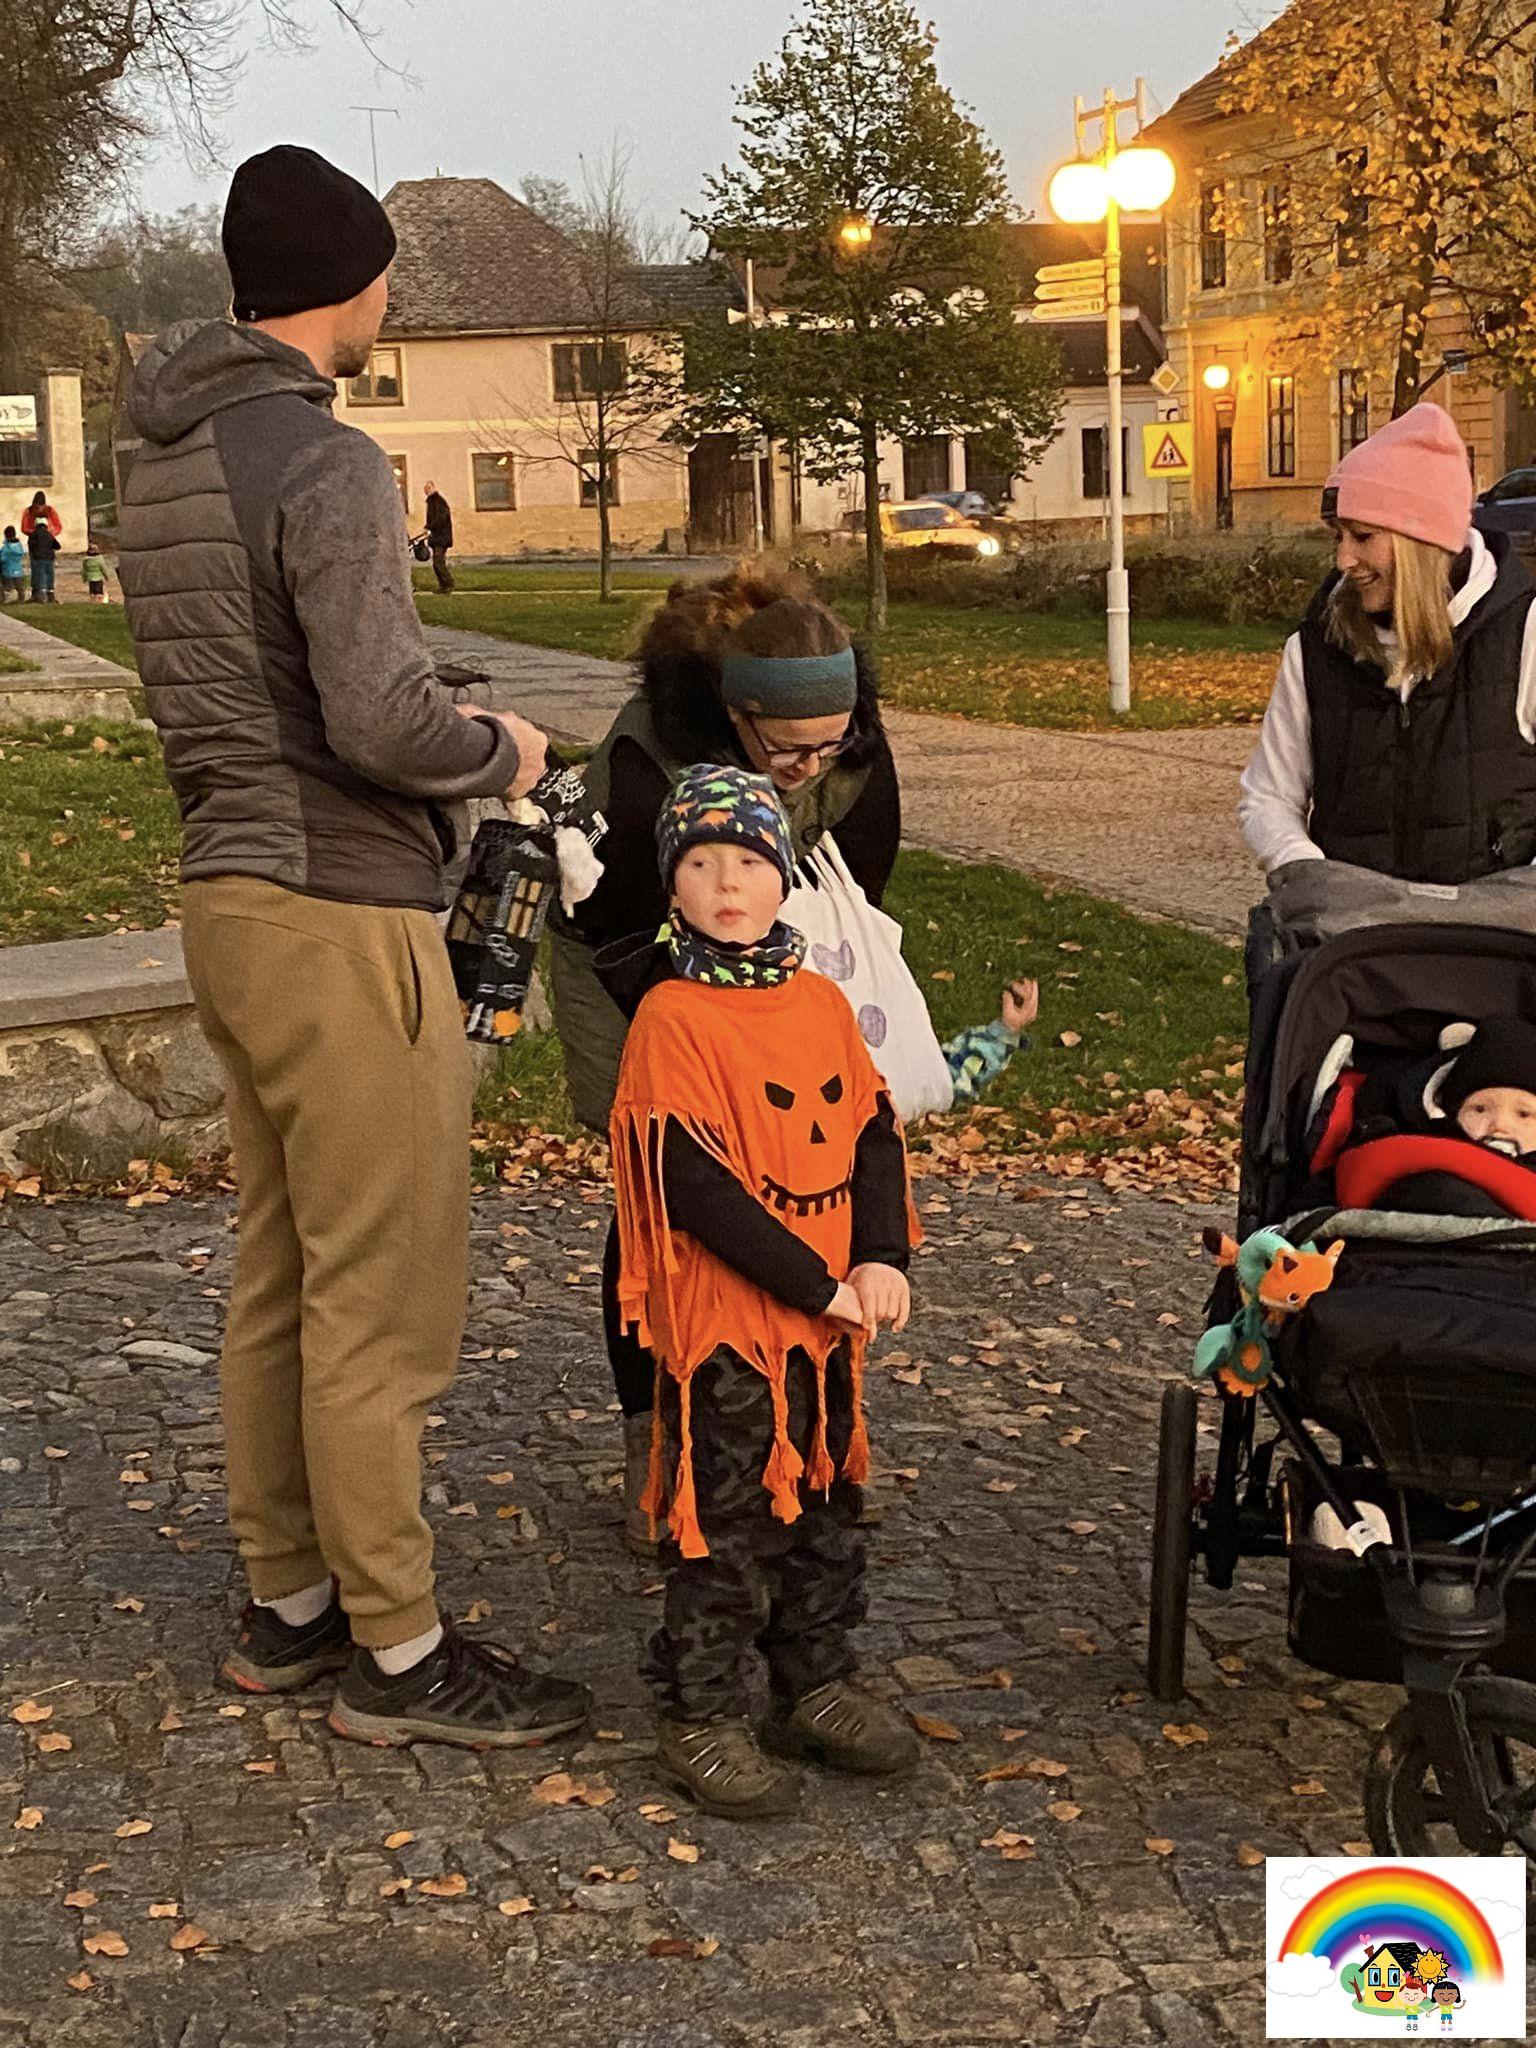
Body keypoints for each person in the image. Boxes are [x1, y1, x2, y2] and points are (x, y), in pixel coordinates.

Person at [117, 142, 590, 1751]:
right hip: (339, 915)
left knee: (281, 1274)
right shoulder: (323, 463)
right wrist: (500, 746)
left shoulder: (165, 459)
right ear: (356, 281)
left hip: (230, 899)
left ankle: (293, 1603)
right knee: (381, 1301)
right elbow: (380, 723)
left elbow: (260, 681)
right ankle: (400, 1649)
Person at [550, 570, 902, 1545]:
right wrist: (696, 1042)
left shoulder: (849, 745)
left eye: (828, 745)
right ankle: (659, 1433)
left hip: (775, 951)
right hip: (630, 957)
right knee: (668, 1188)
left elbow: (863, 883)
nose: (809, 764)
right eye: (787, 749)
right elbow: (617, 919)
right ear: (736, 716)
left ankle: (797, 1410)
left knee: (798, 1171)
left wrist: (791, 1000)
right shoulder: (644, 765)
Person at [604, 763, 920, 1818]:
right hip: (732, 1328)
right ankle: (700, 1710)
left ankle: (811, 1680)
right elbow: (695, 1185)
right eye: (700, 863)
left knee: (828, 1501)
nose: (727, 883)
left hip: (829, 1325)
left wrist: (881, 1256)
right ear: (672, 884)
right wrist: (812, 1282)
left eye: (747, 861)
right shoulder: (672, 1018)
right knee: (728, 1518)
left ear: (784, 876)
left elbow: (870, 1130)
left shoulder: (819, 1001)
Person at [1239, 402, 1536, 890]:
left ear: (1419, 541)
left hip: (1490, 935)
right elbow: (1267, 797)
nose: (1344, 558)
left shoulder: (1525, 634)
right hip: (1356, 932)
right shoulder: (1315, 650)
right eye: (1338, 537)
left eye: (1362, 536)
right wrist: (1309, 873)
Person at [21, 490, 61, 603]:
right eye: (36, 507)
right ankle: (36, 593)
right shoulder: (28, 511)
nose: (38, 509)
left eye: (40, 506)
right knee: (36, 570)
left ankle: (49, 593)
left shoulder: (50, 510)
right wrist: (35, 533)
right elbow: (24, 528)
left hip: (47, 544)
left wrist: (49, 534)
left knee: (48, 571)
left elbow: (58, 526)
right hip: (36, 545)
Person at [424, 479, 454, 593]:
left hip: (441, 537)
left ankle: (448, 584)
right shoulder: (433, 502)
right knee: (437, 562)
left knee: (438, 562)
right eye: (425, 489)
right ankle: (444, 585)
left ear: (433, 488)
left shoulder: (437, 502)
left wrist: (429, 526)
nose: (426, 491)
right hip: (438, 537)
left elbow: (441, 518)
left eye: (428, 488)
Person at [81, 537, 111, 604]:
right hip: (98, 578)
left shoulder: (85, 560)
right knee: (99, 592)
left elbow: (84, 570)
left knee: (92, 592)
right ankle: (99, 602)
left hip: (90, 578)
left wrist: (84, 578)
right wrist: (107, 577)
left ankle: (92, 602)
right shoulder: (100, 559)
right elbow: (103, 569)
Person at [0, 526, 24, 602]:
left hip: (8, 570)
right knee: (19, 587)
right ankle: (21, 599)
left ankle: (5, 599)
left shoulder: (6, 547)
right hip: (18, 570)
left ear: (6, 535)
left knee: (7, 587)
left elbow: (2, 559)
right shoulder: (19, 546)